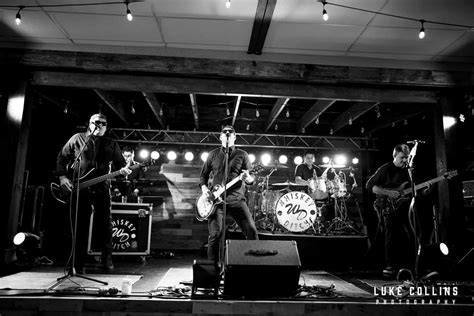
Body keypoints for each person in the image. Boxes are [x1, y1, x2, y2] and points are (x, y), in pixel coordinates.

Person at [56, 113, 131, 272]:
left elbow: (120, 164)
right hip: (80, 188)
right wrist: (63, 178)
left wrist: (124, 171)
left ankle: (107, 258)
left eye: (104, 123)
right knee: (79, 225)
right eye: (97, 122)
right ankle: (77, 262)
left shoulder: (111, 143)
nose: (100, 125)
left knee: (105, 224)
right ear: (89, 124)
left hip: (102, 188)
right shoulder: (77, 139)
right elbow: (62, 158)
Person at [366, 144, 430, 277]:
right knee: (391, 236)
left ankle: (416, 265)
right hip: (389, 207)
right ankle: (390, 265)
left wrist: (425, 190)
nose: (405, 160)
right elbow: (370, 186)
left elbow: (415, 191)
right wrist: (389, 193)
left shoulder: (409, 171)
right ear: (394, 156)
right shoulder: (385, 169)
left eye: (407, 157)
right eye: (402, 157)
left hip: (407, 207)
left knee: (415, 233)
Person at [199, 125, 259, 264]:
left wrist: (247, 178)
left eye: (230, 132)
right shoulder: (213, 154)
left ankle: (254, 265)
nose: (227, 134)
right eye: (224, 132)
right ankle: (212, 269)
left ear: (234, 137)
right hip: (216, 201)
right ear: (220, 137)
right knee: (215, 234)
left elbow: (251, 179)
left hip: (237, 199)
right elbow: (203, 176)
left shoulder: (242, 154)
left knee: (251, 230)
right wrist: (205, 190)